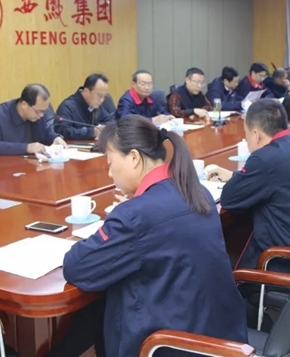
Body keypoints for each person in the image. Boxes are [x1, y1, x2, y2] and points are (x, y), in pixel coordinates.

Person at [58, 115, 248, 357]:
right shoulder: (196, 191)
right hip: (220, 337)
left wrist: (122, 216)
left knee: (91, 315)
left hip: (170, 346)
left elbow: (77, 267)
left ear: (134, 158)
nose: (110, 173)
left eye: (110, 163)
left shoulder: (135, 215)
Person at [206, 100, 290, 273]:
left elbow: (229, 199)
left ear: (256, 134)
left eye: (246, 133)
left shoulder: (264, 158)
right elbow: (273, 177)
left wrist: (240, 178)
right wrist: (235, 176)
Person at [0, 84, 66, 156]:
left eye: (44, 111)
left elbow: (45, 133)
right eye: (38, 111)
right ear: (24, 105)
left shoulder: (36, 115)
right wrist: (27, 148)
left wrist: (55, 138)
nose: (41, 115)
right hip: (3, 166)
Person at [54, 73, 114, 140]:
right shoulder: (67, 107)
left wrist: (103, 128)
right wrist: (91, 132)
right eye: (99, 96)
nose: (102, 100)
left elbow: (110, 121)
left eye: (104, 96)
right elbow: (63, 132)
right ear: (86, 91)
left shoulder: (95, 105)